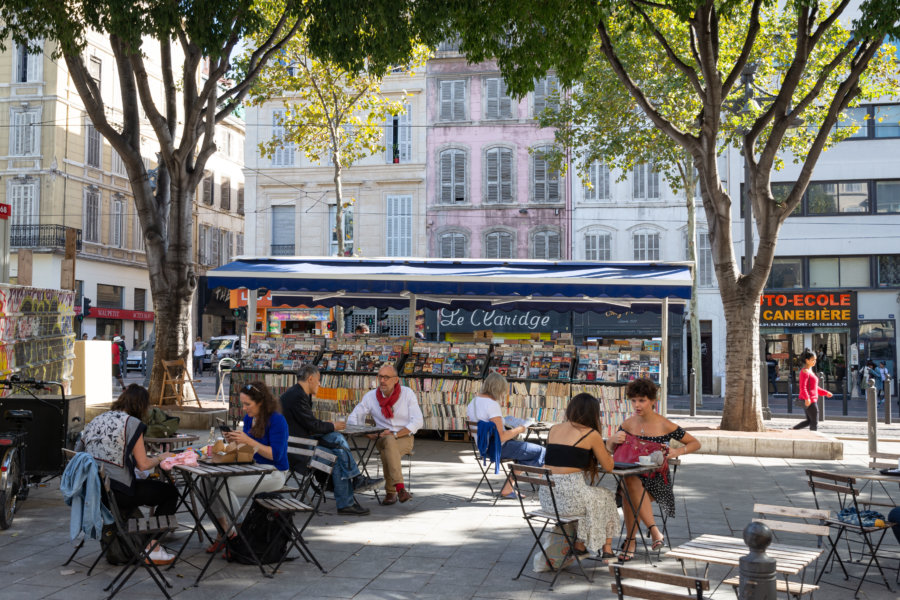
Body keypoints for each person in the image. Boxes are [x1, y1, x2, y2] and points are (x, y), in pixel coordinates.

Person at [75, 384, 178, 565]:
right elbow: (144, 464)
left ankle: (145, 543)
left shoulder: (96, 420)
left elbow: (79, 454)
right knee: (170, 492)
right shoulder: (132, 423)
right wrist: (162, 457)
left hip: (96, 491)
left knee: (147, 485)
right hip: (119, 493)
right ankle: (151, 546)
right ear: (141, 406)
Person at [607, 378, 701, 561]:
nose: (637, 405)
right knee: (630, 483)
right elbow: (611, 451)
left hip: (657, 481)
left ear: (652, 401)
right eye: (633, 400)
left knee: (628, 488)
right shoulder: (627, 424)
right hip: (631, 476)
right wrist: (611, 441)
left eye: (642, 400)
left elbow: (695, 443)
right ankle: (653, 532)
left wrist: (676, 451)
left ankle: (632, 541)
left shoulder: (664, 424)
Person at [280, 365, 382, 516]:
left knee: (337, 437)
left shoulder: (299, 393)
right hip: (298, 450)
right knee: (338, 456)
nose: (320, 384)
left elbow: (308, 423)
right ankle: (347, 501)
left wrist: (330, 427)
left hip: (304, 440)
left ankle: (356, 480)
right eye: (318, 380)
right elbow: (311, 425)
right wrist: (332, 425)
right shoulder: (296, 396)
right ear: (310, 379)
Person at [206, 381, 290, 553]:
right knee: (206, 482)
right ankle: (224, 531)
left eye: (247, 404)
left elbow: (276, 455)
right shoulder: (250, 418)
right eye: (243, 403)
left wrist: (247, 441)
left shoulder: (277, 420)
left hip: (275, 472)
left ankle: (241, 532)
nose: (244, 408)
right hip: (254, 467)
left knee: (223, 486)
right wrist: (235, 441)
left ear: (261, 402)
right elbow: (248, 451)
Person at [542, 392, 618, 562]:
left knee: (590, 497)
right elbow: (609, 466)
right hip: (569, 501)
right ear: (593, 413)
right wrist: (610, 444)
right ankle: (607, 549)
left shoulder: (554, 429)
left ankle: (580, 546)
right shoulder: (591, 434)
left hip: (548, 499)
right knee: (606, 495)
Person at [348, 364, 423, 505]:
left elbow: (418, 421)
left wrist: (395, 434)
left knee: (387, 449)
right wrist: (367, 434)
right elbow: (353, 419)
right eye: (380, 376)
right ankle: (400, 488)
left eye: (386, 377)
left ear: (396, 380)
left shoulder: (407, 394)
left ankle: (391, 492)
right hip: (381, 438)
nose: (382, 380)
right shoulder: (371, 397)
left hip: (404, 437)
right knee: (388, 442)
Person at [466, 371, 545, 498]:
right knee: (541, 451)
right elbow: (501, 437)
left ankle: (508, 489)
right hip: (498, 448)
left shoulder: (473, 402)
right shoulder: (492, 404)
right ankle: (546, 489)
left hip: (483, 448)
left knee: (526, 453)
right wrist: (521, 428)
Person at [793, 349, 832, 431]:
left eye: (815, 360)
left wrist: (825, 392)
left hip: (811, 399)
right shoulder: (805, 371)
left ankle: (793, 429)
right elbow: (802, 387)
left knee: (809, 421)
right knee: (814, 422)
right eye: (812, 360)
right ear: (807, 360)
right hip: (810, 400)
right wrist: (807, 398)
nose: (814, 361)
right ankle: (814, 436)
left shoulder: (810, 371)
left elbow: (814, 387)